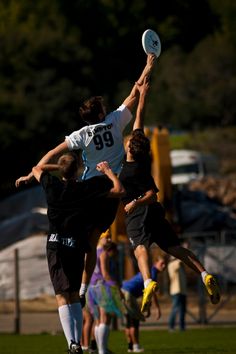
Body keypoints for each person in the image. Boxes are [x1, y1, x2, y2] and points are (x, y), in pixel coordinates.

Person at [15, 54, 157, 292]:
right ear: (101, 114)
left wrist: (32, 173)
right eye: (103, 107)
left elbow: (52, 151)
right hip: (110, 189)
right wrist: (148, 66)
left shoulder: (82, 134)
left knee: (80, 240)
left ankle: (75, 284)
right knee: (95, 241)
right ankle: (82, 288)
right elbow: (134, 94)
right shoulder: (113, 122)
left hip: (88, 191)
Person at [118, 77, 221, 315]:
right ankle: (205, 274)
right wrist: (142, 93)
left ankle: (147, 282)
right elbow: (140, 115)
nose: (126, 141)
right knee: (175, 248)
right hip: (155, 213)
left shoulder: (128, 170)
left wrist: (133, 202)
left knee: (139, 248)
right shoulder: (142, 155)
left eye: (126, 142)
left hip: (140, 211)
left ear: (130, 148)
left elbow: (153, 195)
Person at [30, 153, 125, 354]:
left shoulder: (52, 186)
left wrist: (59, 166)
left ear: (62, 170)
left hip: (56, 245)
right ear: (77, 170)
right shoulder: (85, 189)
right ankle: (76, 345)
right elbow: (119, 190)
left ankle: (73, 343)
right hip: (76, 245)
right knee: (73, 295)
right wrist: (108, 171)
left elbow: (37, 169)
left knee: (61, 296)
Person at [87, 230, 125, 354]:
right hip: (101, 287)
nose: (109, 240)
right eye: (107, 238)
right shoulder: (103, 253)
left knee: (97, 320)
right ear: (100, 238)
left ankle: (101, 349)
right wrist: (117, 288)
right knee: (105, 318)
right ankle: (102, 350)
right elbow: (105, 274)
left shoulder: (91, 251)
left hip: (91, 288)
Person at [121, 255, 168, 353]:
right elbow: (151, 293)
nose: (164, 266)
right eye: (161, 263)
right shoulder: (152, 273)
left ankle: (130, 347)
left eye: (165, 264)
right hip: (129, 293)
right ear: (155, 263)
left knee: (129, 322)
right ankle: (136, 346)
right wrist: (156, 309)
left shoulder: (149, 271)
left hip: (122, 291)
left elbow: (146, 293)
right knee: (135, 321)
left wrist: (148, 307)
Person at [167, 256, 187, 332]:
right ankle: (171, 326)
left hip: (183, 291)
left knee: (183, 310)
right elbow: (180, 261)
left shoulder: (180, 266)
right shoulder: (172, 264)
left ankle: (182, 327)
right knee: (175, 309)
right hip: (176, 291)